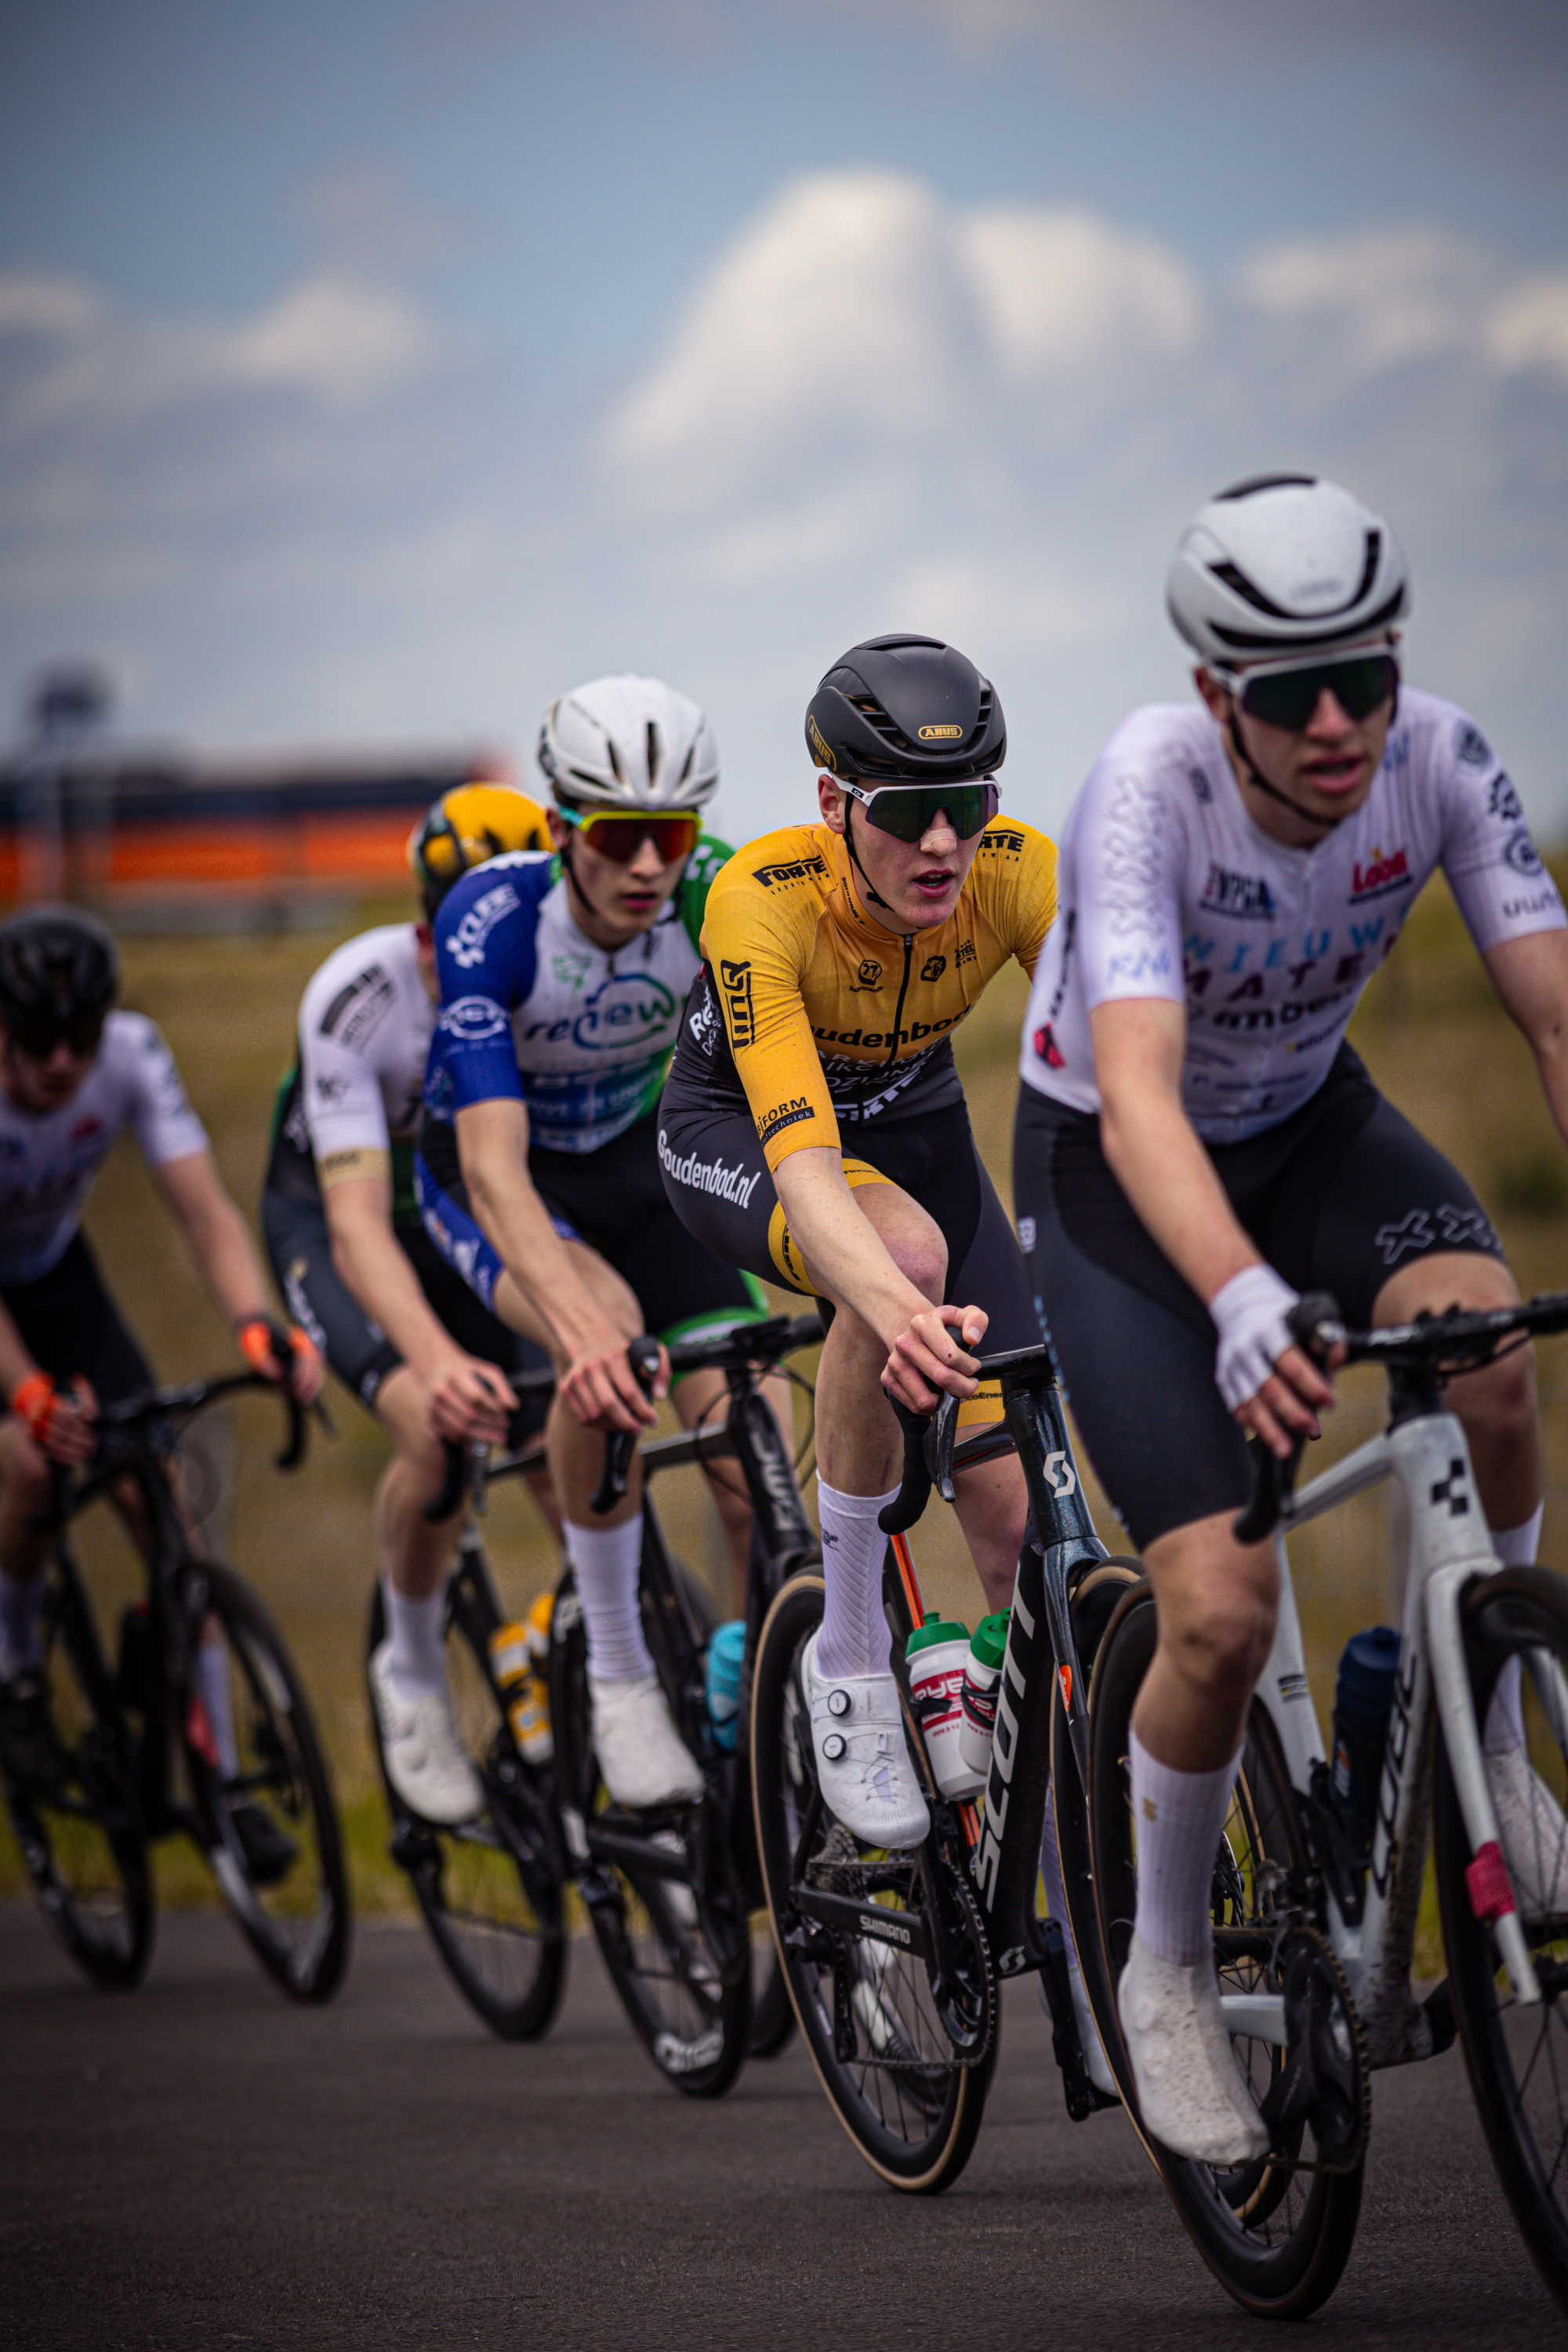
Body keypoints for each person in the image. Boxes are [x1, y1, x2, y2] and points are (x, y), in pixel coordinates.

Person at [1012, 472, 1568, 2165]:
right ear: (1213, 697)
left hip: (1314, 1123)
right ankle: (1167, 1969)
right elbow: (1137, 1093)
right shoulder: (1144, 793)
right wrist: (1242, 1298)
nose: (1336, 724)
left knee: (1488, 1361)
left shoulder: (1441, 758)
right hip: (1122, 1171)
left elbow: (1549, 1014)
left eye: (1365, 678)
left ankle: (1488, 1738)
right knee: (1221, 1608)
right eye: (1285, 693)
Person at [659, 634, 1057, 1855]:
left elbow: (1117, 1081)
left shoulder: (1015, 871)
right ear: (834, 804)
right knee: (903, 1269)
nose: (946, 844)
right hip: (748, 1132)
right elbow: (809, 1166)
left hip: (918, 1122)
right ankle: (849, 1648)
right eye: (910, 813)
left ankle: (1058, 1866)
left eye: (970, 805)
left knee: (1018, 1527)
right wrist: (894, 1308)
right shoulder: (759, 901)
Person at [416, 676, 781, 1811]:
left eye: (668, 836)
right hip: (501, 1176)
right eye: (618, 837)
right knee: (609, 1344)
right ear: (566, 828)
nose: (646, 867)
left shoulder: (715, 894)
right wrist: (578, 1332)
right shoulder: (492, 919)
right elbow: (488, 1165)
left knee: (748, 1447)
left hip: (635, 1160)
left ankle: (756, 1690)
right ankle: (620, 1673)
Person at [262, 783, 559, 1828]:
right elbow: (352, 1227)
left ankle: (614, 1654)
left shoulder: (547, 981)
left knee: (571, 1422)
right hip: (342, 1229)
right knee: (438, 1435)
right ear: (422, 926)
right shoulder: (358, 995)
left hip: (459, 1221)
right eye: (444, 930)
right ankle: (415, 1673)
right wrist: (433, 1363)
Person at [0, 903, 322, 1856]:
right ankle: (14, 1671)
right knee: (27, 1469)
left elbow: (204, 1211)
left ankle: (215, 1776)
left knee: (167, 1501)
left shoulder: (131, 1056)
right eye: (40, 1040)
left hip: (55, 1277)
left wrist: (257, 1323)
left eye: (80, 1037)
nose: (63, 1061)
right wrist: (25, 1394)